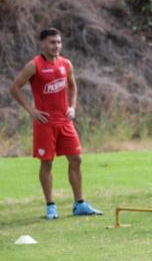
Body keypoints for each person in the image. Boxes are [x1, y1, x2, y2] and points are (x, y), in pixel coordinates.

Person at [10, 28, 102, 219]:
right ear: (43, 44)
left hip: (64, 122)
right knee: (47, 163)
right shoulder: (34, 65)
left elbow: (72, 85)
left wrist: (72, 107)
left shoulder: (66, 63)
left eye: (59, 42)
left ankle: (80, 204)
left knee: (76, 159)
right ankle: (51, 206)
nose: (57, 46)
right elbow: (15, 87)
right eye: (52, 42)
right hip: (45, 123)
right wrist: (31, 110)